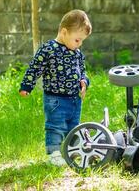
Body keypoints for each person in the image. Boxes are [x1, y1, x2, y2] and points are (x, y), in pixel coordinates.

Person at [19, 9, 92, 166]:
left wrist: (84, 81)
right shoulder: (49, 49)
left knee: (73, 126)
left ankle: (73, 151)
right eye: (77, 40)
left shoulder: (77, 53)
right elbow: (35, 67)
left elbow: (82, 71)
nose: (80, 44)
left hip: (74, 99)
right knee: (55, 126)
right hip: (55, 99)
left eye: (82, 41)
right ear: (64, 32)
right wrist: (27, 85)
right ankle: (54, 153)